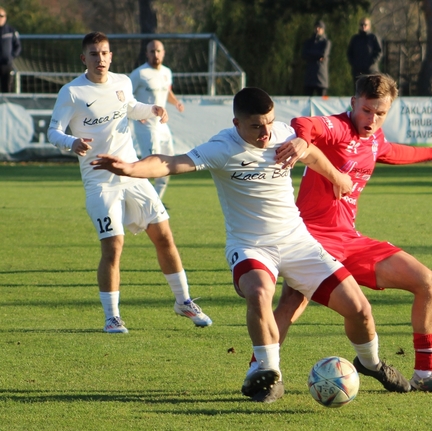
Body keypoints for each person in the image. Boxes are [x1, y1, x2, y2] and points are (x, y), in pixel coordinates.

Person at [91, 87, 412, 403]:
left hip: (298, 241)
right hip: (250, 246)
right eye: (257, 126)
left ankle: (371, 364)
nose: (265, 133)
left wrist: (337, 177)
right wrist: (131, 169)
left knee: (360, 310)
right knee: (260, 292)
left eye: (269, 123)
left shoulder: (282, 135)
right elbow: (171, 162)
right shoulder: (223, 147)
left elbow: (311, 153)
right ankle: (269, 372)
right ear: (237, 124)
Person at [271, 73, 432, 392]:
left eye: (380, 113)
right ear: (353, 103)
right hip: (310, 238)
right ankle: (262, 372)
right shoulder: (338, 128)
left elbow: (395, 152)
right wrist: (303, 143)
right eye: (366, 110)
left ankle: (427, 374)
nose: (372, 119)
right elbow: (303, 121)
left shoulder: (374, 138)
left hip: (350, 240)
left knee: (428, 282)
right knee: (292, 301)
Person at [47, 32, 212, 333]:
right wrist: (71, 142)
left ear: (111, 56)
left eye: (105, 53)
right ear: (84, 59)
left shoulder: (122, 82)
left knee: (164, 236)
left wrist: (153, 110)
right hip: (99, 180)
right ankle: (112, 316)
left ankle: (184, 301)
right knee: (114, 246)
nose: (101, 59)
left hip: (132, 173)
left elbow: (131, 107)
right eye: (94, 54)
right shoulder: (72, 92)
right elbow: (53, 131)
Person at [130, 40, 184, 200]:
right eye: (152, 51)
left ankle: (156, 201)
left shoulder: (167, 72)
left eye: (158, 51)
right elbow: (126, 96)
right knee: (151, 164)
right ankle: (135, 198)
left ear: (164, 52)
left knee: (168, 161)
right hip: (145, 125)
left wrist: (176, 103)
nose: (155, 54)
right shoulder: (139, 74)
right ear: (147, 54)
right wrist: (137, 112)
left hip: (162, 125)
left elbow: (166, 92)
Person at [347, 18, 382, 85]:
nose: (363, 26)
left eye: (365, 25)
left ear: (369, 26)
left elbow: (379, 52)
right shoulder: (355, 39)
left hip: (371, 72)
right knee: (359, 92)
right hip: (358, 72)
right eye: (361, 24)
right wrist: (354, 64)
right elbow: (349, 53)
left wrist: (371, 62)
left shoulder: (373, 37)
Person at [302, 20, 331, 97]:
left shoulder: (326, 42)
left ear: (323, 29)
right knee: (307, 100)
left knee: (322, 101)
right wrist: (317, 56)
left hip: (321, 78)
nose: (317, 29)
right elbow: (304, 54)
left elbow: (323, 54)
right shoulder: (308, 42)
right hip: (309, 77)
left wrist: (311, 54)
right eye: (316, 27)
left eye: (320, 27)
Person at [0, 6, 21, 93]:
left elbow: (18, 47)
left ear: (5, 17)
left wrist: (11, 57)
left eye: (1, 16)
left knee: (7, 88)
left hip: (6, 65)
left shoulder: (11, 31)